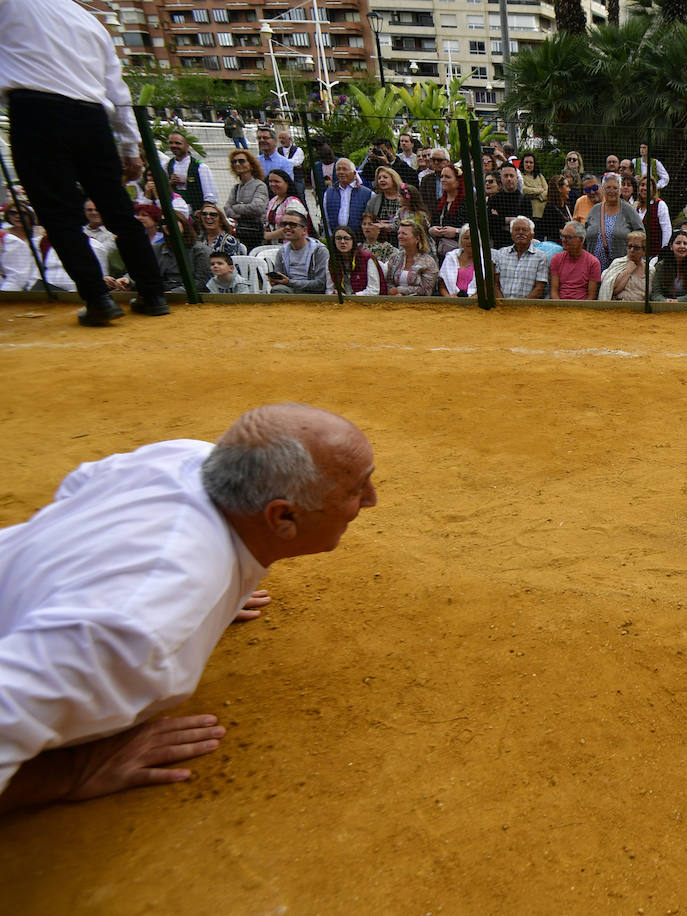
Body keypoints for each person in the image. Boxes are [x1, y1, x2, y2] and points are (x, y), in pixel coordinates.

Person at [0, 404, 376, 813]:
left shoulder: (187, 455)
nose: (371, 501)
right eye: (356, 490)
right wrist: (74, 771)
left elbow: (78, 490)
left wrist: (216, 577)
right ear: (283, 516)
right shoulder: (139, 625)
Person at [0, 0, 165, 326]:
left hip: (36, 112)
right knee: (119, 211)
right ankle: (153, 294)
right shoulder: (90, 21)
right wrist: (130, 148)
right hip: (92, 119)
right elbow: (118, 92)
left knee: (59, 215)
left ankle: (98, 299)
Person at [584, 173, 644, 269]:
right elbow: (584, 236)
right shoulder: (595, 210)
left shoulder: (628, 210)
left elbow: (641, 235)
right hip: (593, 269)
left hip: (620, 269)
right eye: (608, 188)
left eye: (615, 188)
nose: (611, 191)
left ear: (620, 190)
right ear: (603, 189)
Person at [266, 212, 327, 294]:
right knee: (277, 289)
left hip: (313, 293)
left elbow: (321, 284)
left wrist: (289, 282)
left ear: (304, 230)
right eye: (284, 224)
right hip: (290, 290)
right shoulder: (282, 251)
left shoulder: (319, 251)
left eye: (293, 225)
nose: (287, 227)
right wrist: (276, 281)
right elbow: (280, 278)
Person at [492, 215, 549, 300]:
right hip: (502, 307)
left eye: (525, 230)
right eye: (516, 230)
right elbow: (495, 284)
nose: (520, 233)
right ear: (511, 234)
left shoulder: (541, 257)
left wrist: (521, 306)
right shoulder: (500, 253)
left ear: (532, 235)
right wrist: (503, 304)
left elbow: (539, 288)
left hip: (527, 308)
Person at [224, 150, 269, 252]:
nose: (237, 164)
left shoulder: (260, 185)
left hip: (255, 235)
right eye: (234, 161)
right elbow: (227, 209)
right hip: (240, 233)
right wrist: (244, 210)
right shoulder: (236, 188)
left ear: (251, 165)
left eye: (241, 161)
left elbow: (257, 208)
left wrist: (236, 207)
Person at [651, 230, 687, 303]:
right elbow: (655, 293)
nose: (682, 246)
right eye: (678, 243)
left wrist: (678, 301)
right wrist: (664, 301)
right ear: (671, 246)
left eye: (685, 243)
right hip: (666, 307)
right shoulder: (660, 266)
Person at [165, 132, 217, 213]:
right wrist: (170, 183)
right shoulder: (168, 165)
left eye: (178, 143)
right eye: (171, 143)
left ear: (187, 147)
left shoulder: (200, 167)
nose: (174, 145)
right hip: (176, 211)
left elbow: (210, 196)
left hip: (196, 211)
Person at [385, 218, 438, 296]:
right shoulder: (394, 258)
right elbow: (388, 283)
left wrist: (399, 290)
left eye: (404, 234)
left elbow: (426, 290)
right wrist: (395, 294)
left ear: (417, 238)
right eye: (399, 233)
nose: (400, 236)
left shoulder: (429, 262)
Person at [549, 221, 601, 300]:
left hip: (582, 307)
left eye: (569, 237)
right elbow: (554, 292)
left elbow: (591, 297)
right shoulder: (556, 259)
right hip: (560, 306)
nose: (564, 240)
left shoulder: (593, 263)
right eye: (562, 236)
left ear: (581, 239)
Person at [325, 227, 382, 296]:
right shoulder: (331, 262)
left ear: (353, 241)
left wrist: (354, 296)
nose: (342, 242)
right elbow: (329, 289)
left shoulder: (367, 259)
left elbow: (374, 290)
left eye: (346, 238)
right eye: (338, 238)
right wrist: (333, 293)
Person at [323, 159, 372, 239]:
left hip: (359, 240)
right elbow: (326, 219)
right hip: (336, 241)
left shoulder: (367, 193)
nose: (341, 172)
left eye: (344, 169)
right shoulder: (328, 193)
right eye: (338, 169)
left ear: (354, 173)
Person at [427, 164, 466, 260]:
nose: (443, 180)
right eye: (442, 176)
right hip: (440, 254)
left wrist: (456, 232)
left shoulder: (468, 203)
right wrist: (432, 230)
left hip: (461, 253)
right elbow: (432, 224)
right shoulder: (439, 202)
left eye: (447, 177)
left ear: (458, 181)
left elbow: (475, 230)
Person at [600, 229, 650, 302]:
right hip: (618, 308)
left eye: (636, 248)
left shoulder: (650, 270)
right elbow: (612, 290)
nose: (632, 250)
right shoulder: (618, 263)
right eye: (630, 246)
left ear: (644, 251)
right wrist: (628, 271)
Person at [262, 169, 307, 244]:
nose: (273, 184)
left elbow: (294, 227)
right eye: (270, 181)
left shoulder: (293, 203)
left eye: (277, 181)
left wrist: (267, 235)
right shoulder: (273, 200)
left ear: (287, 183)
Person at [633, 176, 670, 262]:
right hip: (637, 255)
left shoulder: (660, 205)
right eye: (642, 185)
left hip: (654, 256)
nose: (645, 188)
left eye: (648, 185)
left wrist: (662, 253)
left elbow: (667, 230)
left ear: (653, 189)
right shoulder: (636, 207)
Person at [519, 154, 548, 220]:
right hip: (529, 213)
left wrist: (537, 196)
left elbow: (548, 191)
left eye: (531, 162)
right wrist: (539, 190)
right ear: (522, 163)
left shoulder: (540, 176)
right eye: (526, 162)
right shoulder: (519, 175)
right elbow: (523, 190)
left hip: (544, 213)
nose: (528, 165)